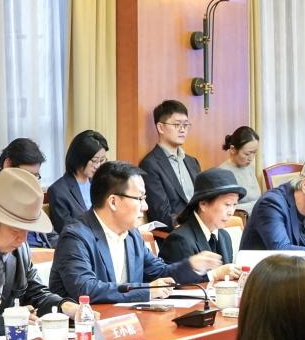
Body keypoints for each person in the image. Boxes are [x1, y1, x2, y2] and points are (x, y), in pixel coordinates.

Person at [49, 160, 220, 303]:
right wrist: (146, 290)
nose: (145, 207)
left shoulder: (132, 235)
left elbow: (159, 273)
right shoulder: (76, 237)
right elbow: (86, 289)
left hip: (126, 323)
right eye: (140, 198)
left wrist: (192, 266)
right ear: (113, 202)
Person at [0, 168, 80, 333]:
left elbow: (35, 291)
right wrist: (10, 321)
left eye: (28, 230)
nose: (23, 238)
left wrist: (65, 306)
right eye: (16, 230)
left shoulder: (19, 248)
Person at [159, 168, 247, 266]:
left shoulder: (224, 236)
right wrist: (216, 274)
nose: (231, 212)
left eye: (234, 205)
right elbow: (177, 276)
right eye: (227, 204)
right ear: (203, 204)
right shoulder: (180, 241)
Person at [139, 99, 200, 227]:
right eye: (177, 125)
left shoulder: (192, 162)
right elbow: (162, 215)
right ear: (160, 127)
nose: (182, 130)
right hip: (176, 232)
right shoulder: (149, 165)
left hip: (201, 227)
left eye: (185, 125)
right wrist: (196, 226)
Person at [0, 138, 52, 248]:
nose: (33, 182)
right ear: (8, 165)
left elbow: (49, 233)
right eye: (28, 175)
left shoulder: (30, 196)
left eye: (36, 176)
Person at [47, 129, 109, 235]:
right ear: (79, 158)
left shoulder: (100, 182)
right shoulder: (58, 191)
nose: (98, 165)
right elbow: (67, 229)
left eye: (102, 160)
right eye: (94, 161)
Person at [219, 125, 262, 213]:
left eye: (254, 153)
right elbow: (227, 208)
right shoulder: (223, 173)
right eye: (247, 154)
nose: (251, 158)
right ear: (233, 149)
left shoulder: (249, 167)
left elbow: (256, 198)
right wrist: (259, 205)